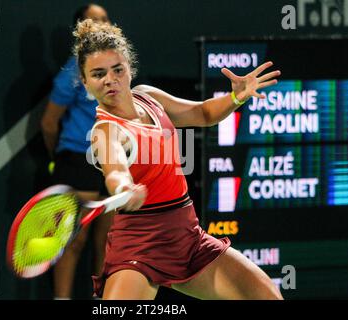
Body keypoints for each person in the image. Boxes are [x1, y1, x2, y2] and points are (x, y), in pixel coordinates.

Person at [73, 19, 284, 300]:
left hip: (187, 236)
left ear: (129, 68)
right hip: (141, 245)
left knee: (267, 296)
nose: (110, 79)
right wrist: (124, 189)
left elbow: (203, 114)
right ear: (85, 81)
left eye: (117, 70)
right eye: (98, 74)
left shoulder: (150, 98)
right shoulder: (105, 131)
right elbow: (115, 171)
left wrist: (236, 97)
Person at [40, 4, 112, 300]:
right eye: (93, 21)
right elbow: (48, 123)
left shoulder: (118, 68)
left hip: (111, 161)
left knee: (108, 242)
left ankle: (103, 301)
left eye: (105, 19)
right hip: (77, 161)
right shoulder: (72, 71)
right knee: (74, 240)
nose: (101, 25)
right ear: (81, 30)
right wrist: (58, 159)